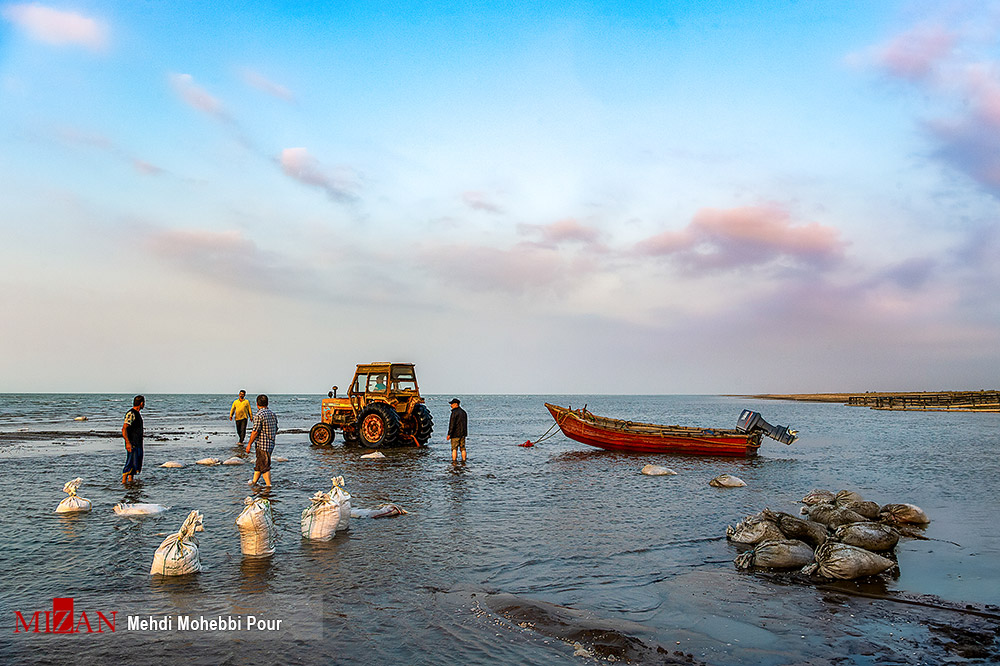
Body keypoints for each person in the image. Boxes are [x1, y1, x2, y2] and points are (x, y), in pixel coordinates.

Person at [246, 394, 278, 487]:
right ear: (267, 403)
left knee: (264, 466)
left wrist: (249, 444)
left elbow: (255, 431)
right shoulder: (273, 414)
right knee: (259, 464)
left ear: (257, 404)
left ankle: (268, 486)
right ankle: (254, 482)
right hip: (271, 444)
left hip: (262, 444)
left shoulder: (259, 415)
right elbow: (276, 428)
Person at [121, 395, 145, 484]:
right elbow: (124, 428)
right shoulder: (131, 413)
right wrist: (127, 442)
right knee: (130, 462)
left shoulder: (137, 414)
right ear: (141, 403)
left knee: (135, 464)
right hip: (132, 442)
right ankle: (124, 482)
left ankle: (131, 483)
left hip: (138, 443)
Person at [447, 398, 468, 462]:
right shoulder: (464, 412)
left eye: (452, 404)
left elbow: (452, 424)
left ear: (456, 404)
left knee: (454, 449)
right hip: (463, 434)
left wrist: (449, 434)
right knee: (463, 448)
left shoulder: (454, 413)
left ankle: (454, 461)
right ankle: (464, 461)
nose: (451, 405)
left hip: (455, 434)